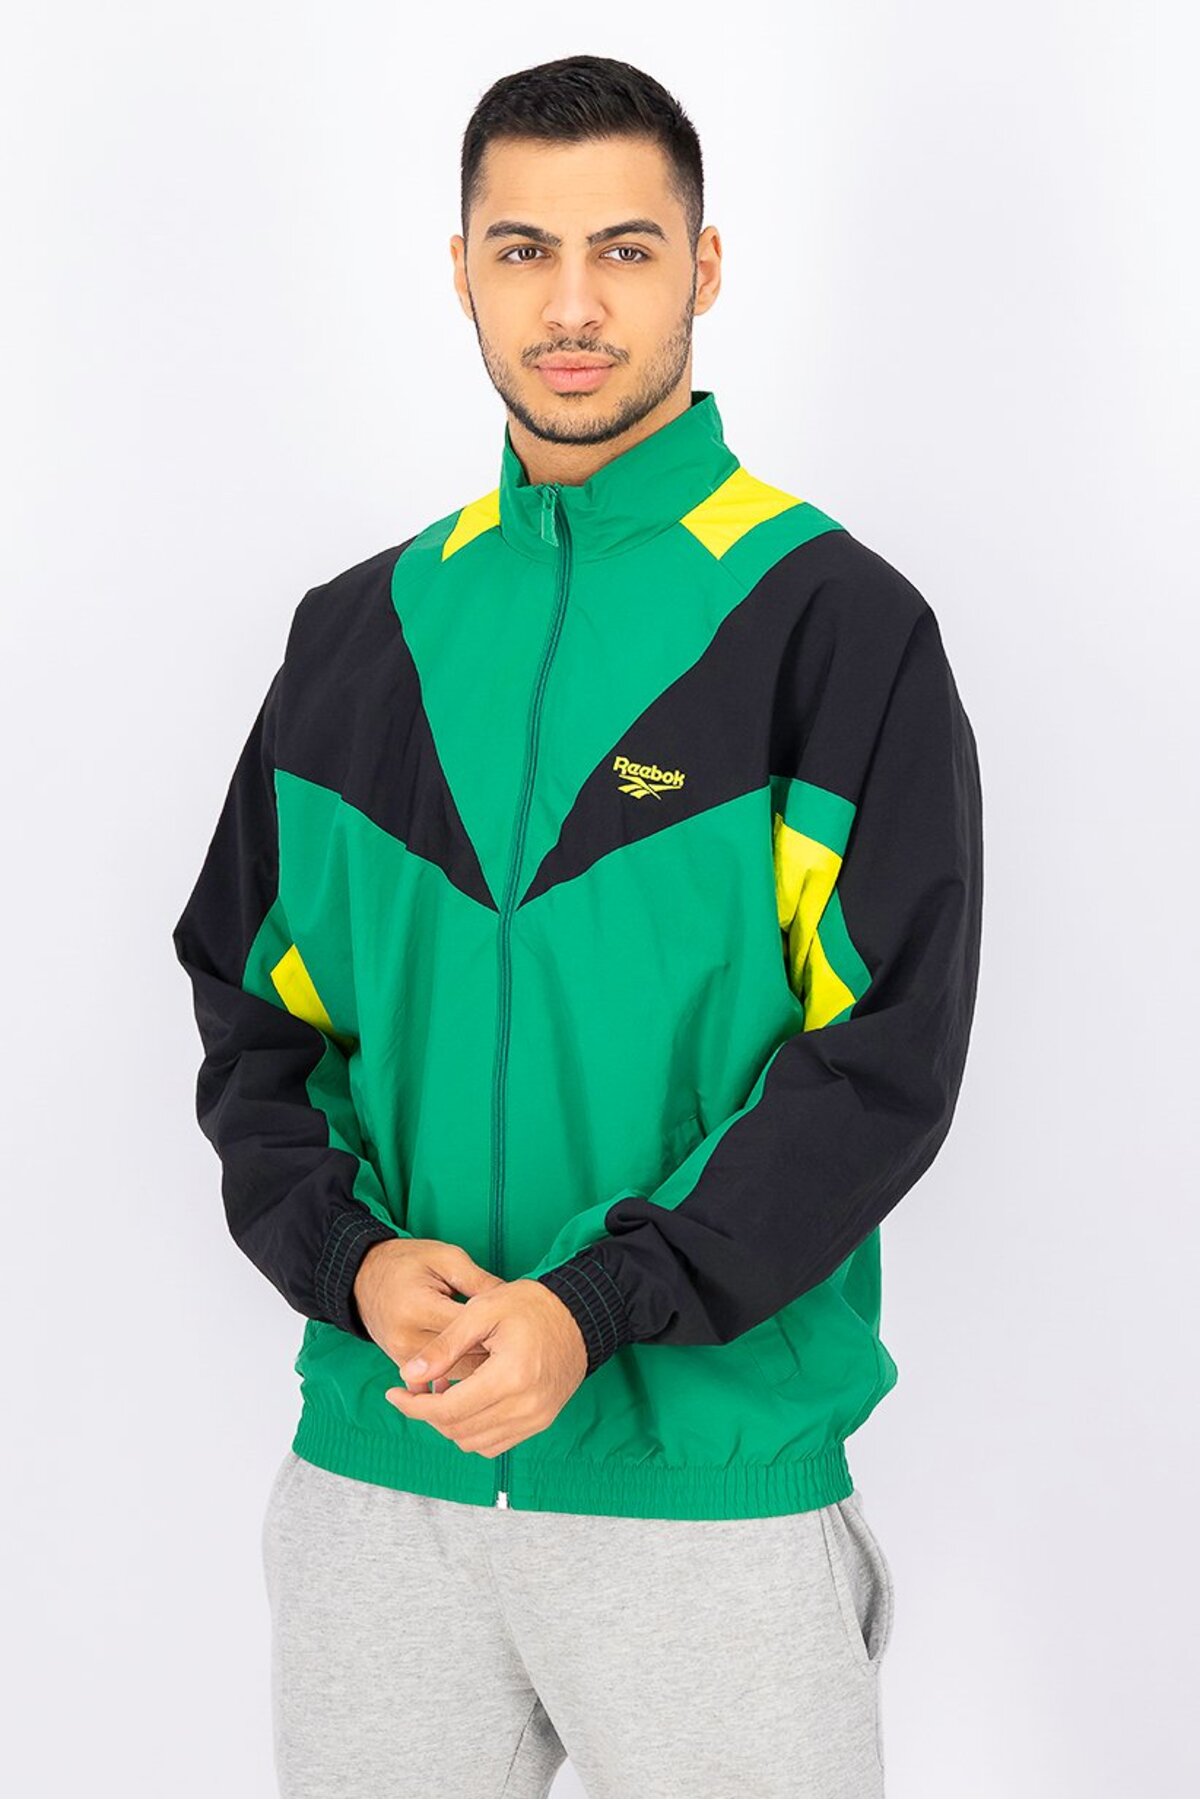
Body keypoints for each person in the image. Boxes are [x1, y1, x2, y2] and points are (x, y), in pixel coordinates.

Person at [172, 51, 984, 1800]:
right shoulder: (357, 637)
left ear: (705, 267)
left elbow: (880, 1066)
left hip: (705, 1503)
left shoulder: (832, 626)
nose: (571, 305)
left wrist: (597, 1307)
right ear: (460, 271)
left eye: (624, 248)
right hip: (381, 1488)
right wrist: (352, 1261)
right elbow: (253, 1022)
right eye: (523, 250)